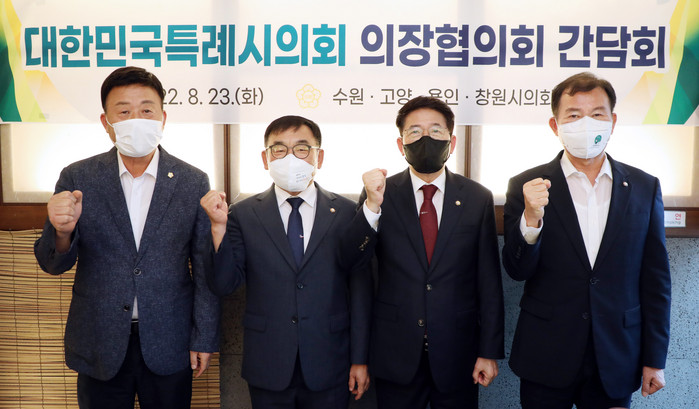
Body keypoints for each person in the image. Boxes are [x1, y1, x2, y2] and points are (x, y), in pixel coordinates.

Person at [34, 66, 220, 409]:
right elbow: (52, 263)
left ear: (163, 118)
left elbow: (204, 267)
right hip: (99, 339)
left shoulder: (193, 181)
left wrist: (204, 337)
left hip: (170, 338)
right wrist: (62, 232)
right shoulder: (78, 177)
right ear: (106, 123)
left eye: (147, 110)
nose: (136, 119)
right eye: (124, 111)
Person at [502, 72, 672, 409]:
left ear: (613, 122)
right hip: (546, 354)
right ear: (555, 125)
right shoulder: (528, 185)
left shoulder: (644, 186)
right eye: (574, 115)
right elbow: (517, 270)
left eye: (596, 114)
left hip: (617, 354)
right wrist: (531, 217)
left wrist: (655, 358)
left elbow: (656, 281)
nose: (586, 123)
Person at [340, 96, 504, 409]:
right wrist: (371, 206)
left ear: (451, 142)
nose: (425, 138)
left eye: (436, 131)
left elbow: (488, 280)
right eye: (414, 132)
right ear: (400, 144)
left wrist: (489, 351)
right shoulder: (380, 193)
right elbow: (353, 262)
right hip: (395, 352)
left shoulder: (476, 197)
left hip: (458, 353)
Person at [200, 115, 372, 409]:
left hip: (331, 359)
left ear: (319, 157)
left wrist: (360, 359)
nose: (290, 157)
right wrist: (217, 228)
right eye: (279, 149)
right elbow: (224, 284)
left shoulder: (346, 213)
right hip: (268, 361)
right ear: (265, 159)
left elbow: (359, 291)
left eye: (302, 149)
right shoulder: (243, 214)